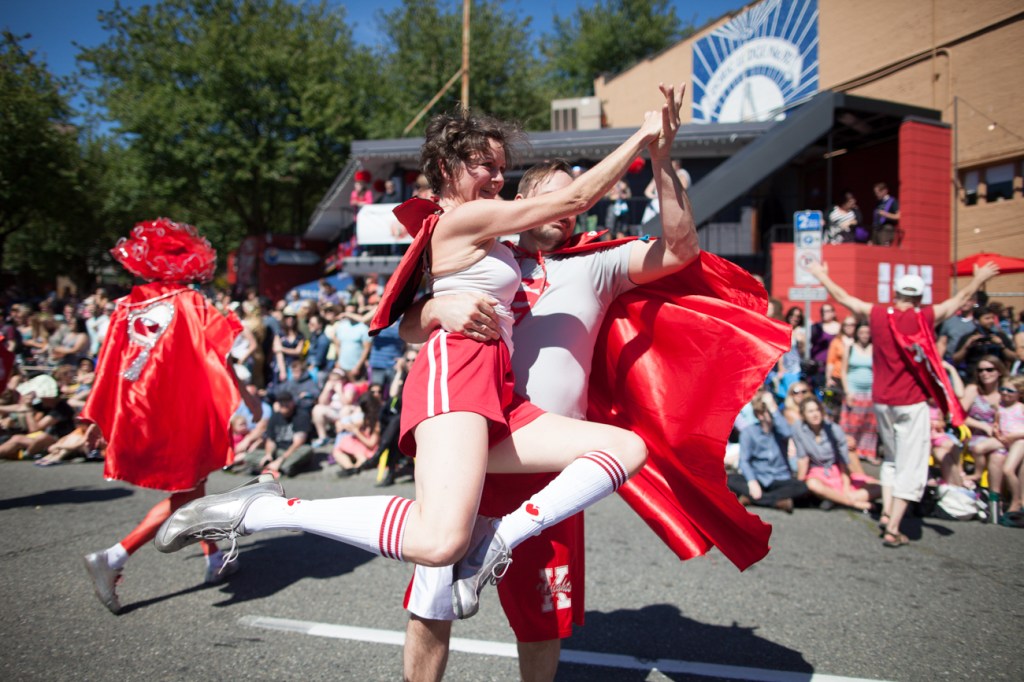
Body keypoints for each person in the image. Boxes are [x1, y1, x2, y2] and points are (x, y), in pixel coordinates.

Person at [157, 86, 685, 623]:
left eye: (502, 169)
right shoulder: (461, 220)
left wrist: (435, 307)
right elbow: (571, 201)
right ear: (447, 168)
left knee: (624, 448)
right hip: (458, 373)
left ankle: (497, 540)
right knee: (437, 543)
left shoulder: (485, 227)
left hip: (495, 385)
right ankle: (266, 510)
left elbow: (411, 314)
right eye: (485, 166)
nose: (497, 179)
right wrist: (643, 137)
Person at [398, 113, 785, 679]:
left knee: (542, 622)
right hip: (468, 444)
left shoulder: (597, 265)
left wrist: (661, 160)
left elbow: (680, 250)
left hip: (548, 472)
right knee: (432, 605)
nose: (566, 212)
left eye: (572, 205)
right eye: (554, 200)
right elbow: (406, 325)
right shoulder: (484, 253)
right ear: (523, 201)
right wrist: (436, 307)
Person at [79, 218, 245, 614]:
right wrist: (246, 401)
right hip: (182, 409)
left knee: (195, 484)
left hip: (140, 412)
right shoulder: (192, 302)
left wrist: (96, 417)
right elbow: (221, 354)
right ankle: (114, 556)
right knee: (187, 492)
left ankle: (213, 557)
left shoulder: (126, 305)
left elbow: (107, 365)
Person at [807, 259, 999, 547]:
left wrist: (821, 274)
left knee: (892, 460)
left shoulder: (877, 314)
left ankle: (886, 512)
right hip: (910, 403)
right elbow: (960, 300)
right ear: (919, 297)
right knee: (912, 465)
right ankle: (894, 528)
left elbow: (843, 297)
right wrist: (979, 278)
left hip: (882, 401)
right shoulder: (924, 317)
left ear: (895, 293)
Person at [793, 396, 880, 512]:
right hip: (817, 473)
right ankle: (852, 503)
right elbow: (802, 458)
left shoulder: (834, 429)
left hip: (837, 471)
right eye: (810, 411)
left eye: (817, 410)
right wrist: (798, 484)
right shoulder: (798, 428)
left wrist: (846, 488)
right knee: (812, 484)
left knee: (881, 487)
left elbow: (843, 461)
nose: (815, 414)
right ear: (803, 415)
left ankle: (837, 500)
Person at [728, 391, 808, 513]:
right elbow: (744, 461)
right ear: (759, 415)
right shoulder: (749, 432)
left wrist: (773, 408)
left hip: (780, 478)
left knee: (802, 487)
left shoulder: (780, 430)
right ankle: (778, 501)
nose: (773, 414)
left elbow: (787, 433)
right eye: (769, 411)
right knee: (728, 479)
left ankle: (753, 499)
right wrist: (752, 481)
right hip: (758, 477)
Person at [960, 356, 1010, 496]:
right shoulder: (973, 390)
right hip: (976, 435)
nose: (984, 373)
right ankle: (995, 498)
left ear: (999, 371)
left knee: (998, 456)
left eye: (989, 369)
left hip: (1000, 437)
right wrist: (983, 426)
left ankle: (996, 499)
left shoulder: (1006, 392)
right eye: (980, 370)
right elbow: (959, 415)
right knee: (997, 453)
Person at [840, 322, 879, 464]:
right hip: (853, 390)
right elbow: (843, 371)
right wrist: (847, 391)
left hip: (870, 392)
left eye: (867, 333)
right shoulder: (850, 348)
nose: (864, 336)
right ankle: (850, 452)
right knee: (852, 423)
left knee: (870, 424)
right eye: (862, 332)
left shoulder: (874, 349)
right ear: (857, 333)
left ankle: (868, 453)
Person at [952, 305, 1017, 374]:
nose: (991, 321)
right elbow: (955, 360)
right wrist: (966, 346)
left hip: (997, 374)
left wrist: (1001, 346)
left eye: (992, 318)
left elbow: (1014, 358)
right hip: (974, 374)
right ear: (976, 321)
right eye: (987, 318)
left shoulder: (1000, 336)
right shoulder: (968, 337)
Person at [997, 375, 1024, 513]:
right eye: (1002, 389)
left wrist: (1014, 436)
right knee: (980, 448)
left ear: (1020, 393)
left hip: (1020, 441)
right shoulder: (1000, 407)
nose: (1005, 392)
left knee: (1008, 470)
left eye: (1010, 390)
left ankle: (1017, 500)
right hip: (1005, 441)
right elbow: (996, 424)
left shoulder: (1021, 407)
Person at [870, 182, 900, 246]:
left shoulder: (892, 201)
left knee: (883, 249)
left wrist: (885, 214)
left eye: (878, 193)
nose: (876, 195)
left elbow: (898, 216)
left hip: (886, 230)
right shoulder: (879, 203)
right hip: (876, 229)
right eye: (875, 193)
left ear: (885, 191)